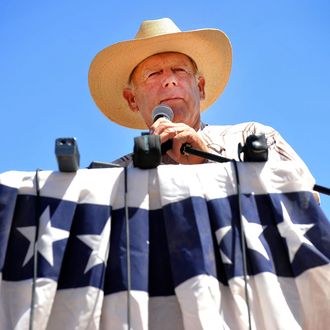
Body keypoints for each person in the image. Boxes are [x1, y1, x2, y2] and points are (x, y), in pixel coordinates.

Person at [88, 17, 311, 174]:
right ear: (132, 99)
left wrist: (205, 158)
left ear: (200, 87)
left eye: (180, 70)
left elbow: (303, 204)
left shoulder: (253, 136)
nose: (169, 80)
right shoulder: (115, 176)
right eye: (154, 74)